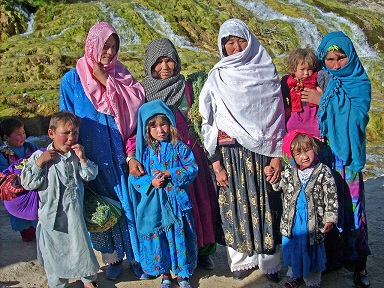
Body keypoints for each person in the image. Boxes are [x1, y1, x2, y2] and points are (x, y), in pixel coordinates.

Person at [198, 18, 286, 281]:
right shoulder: (217, 77)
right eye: (229, 42)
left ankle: (269, 263)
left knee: (267, 206)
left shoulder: (267, 72)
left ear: (250, 41)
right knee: (235, 206)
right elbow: (208, 122)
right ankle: (243, 263)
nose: (235, 47)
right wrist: (215, 164)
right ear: (222, 47)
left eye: (240, 40)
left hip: (262, 154)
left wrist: (277, 156)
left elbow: (277, 116)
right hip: (231, 155)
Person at [59, 21, 147, 280]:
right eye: (104, 46)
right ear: (92, 45)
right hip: (90, 159)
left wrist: (105, 80)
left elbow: (136, 107)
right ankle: (111, 260)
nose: (108, 52)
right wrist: (71, 154)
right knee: (100, 210)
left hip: (120, 158)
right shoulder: (72, 79)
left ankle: (135, 258)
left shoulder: (120, 75)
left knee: (128, 208)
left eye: (113, 47)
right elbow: (65, 117)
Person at [301, 31, 372, 288]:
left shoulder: (359, 82)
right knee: (326, 206)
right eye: (329, 59)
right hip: (325, 154)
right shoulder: (321, 78)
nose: (336, 64)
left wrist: (324, 102)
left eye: (341, 57)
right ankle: (332, 257)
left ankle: (358, 262)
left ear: (350, 56)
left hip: (348, 156)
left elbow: (358, 118)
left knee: (353, 209)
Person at [140, 38, 218, 270]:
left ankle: (203, 249)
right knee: (169, 207)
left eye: (169, 61)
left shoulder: (187, 86)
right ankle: (171, 256)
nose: (165, 67)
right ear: (150, 65)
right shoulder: (144, 91)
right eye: (159, 62)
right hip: (159, 155)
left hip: (189, 152)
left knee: (199, 201)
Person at [20, 111, 99, 288]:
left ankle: (88, 279)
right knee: (55, 253)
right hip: (51, 217)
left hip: (75, 213)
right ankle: (58, 284)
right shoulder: (39, 157)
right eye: (66, 133)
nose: (71, 138)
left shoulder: (75, 156)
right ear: (51, 133)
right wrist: (40, 162)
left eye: (75, 133)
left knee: (81, 247)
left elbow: (90, 175)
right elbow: (28, 183)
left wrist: (83, 158)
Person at [129, 99, 198, 288]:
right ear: (147, 130)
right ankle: (165, 274)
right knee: (160, 240)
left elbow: (192, 169)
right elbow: (135, 179)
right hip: (155, 206)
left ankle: (183, 274)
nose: (160, 130)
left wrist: (171, 173)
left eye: (164, 124)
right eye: (154, 126)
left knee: (180, 236)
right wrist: (150, 181)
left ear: (170, 124)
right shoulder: (143, 154)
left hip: (177, 204)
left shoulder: (180, 148)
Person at [264, 130, 338, 288]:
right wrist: (270, 175)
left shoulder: (323, 172)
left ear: (314, 148)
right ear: (290, 156)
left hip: (313, 223)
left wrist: (330, 218)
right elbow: (278, 187)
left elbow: (331, 196)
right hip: (292, 222)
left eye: (307, 150)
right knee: (293, 250)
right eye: (298, 153)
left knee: (312, 251)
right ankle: (294, 276)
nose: (304, 156)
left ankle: (312, 281)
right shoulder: (289, 172)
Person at [0, 117, 38, 242]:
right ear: (6, 137)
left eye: (23, 133)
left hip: (34, 188)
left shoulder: (32, 147)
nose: (23, 137)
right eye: (18, 134)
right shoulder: (3, 155)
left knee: (38, 218)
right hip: (17, 192)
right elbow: (3, 174)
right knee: (26, 231)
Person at [281, 48, 321, 137]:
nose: (306, 73)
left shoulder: (316, 78)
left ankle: (317, 138)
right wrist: (287, 107)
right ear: (293, 69)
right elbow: (281, 96)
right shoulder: (287, 81)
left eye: (309, 69)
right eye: (302, 69)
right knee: (290, 126)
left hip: (313, 112)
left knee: (317, 125)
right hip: (296, 112)